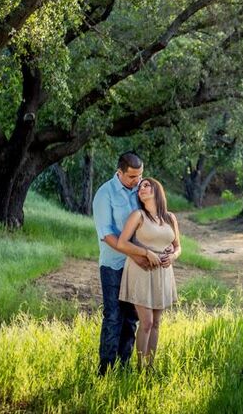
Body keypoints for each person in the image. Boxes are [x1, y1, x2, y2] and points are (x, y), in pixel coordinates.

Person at [92, 152, 151, 376]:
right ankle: (105, 369)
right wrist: (136, 253)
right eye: (132, 177)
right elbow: (107, 235)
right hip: (113, 265)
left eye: (140, 176)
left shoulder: (141, 189)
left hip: (137, 267)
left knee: (131, 318)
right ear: (120, 172)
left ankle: (123, 366)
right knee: (113, 316)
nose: (137, 181)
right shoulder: (104, 194)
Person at [115, 177, 181, 371]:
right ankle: (140, 367)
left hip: (163, 272)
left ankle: (150, 367)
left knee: (157, 322)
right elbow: (122, 243)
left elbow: (178, 247)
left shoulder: (170, 218)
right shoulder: (138, 216)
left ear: (157, 190)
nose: (141, 189)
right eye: (139, 187)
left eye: (146, 185)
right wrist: (146, 252)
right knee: (146, 322)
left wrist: (174, 257)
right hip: (141, 271)